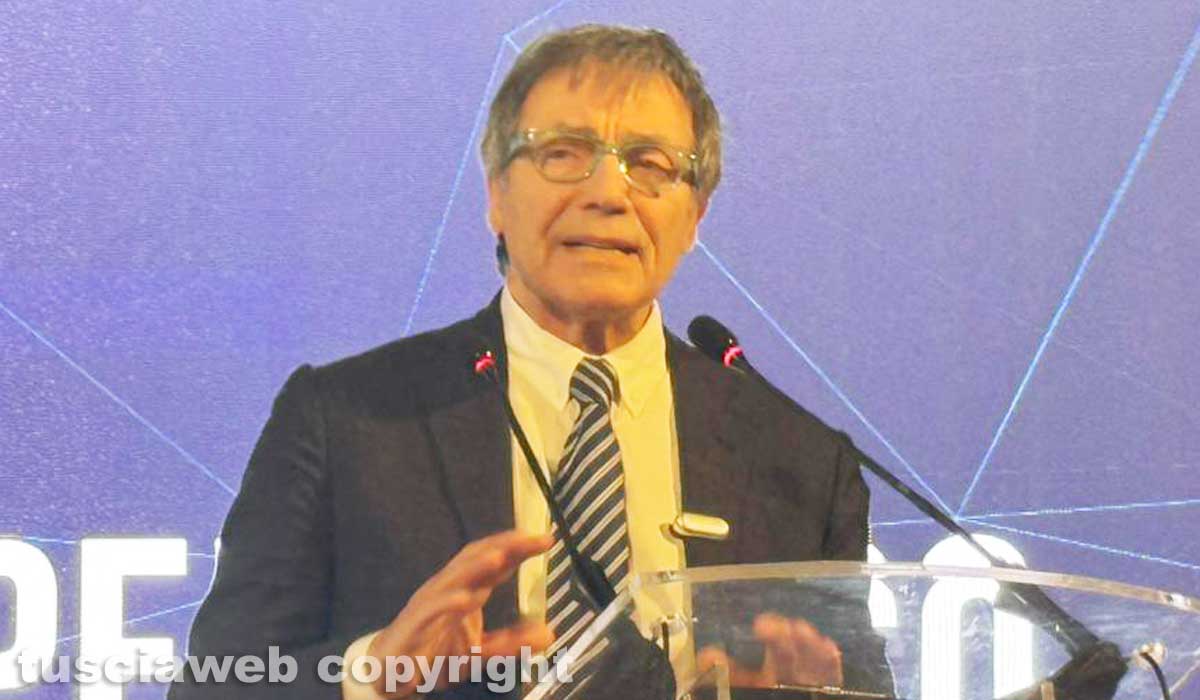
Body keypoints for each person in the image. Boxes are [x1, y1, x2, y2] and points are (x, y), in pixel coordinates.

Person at [170, 24, 882, 700]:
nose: (608, 194)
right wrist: (373, 673)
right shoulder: (346, 421)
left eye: (650, 165)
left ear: (694, 216)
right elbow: (213, 684)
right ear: (496, 195)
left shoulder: (802, 463)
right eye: (564, 154)